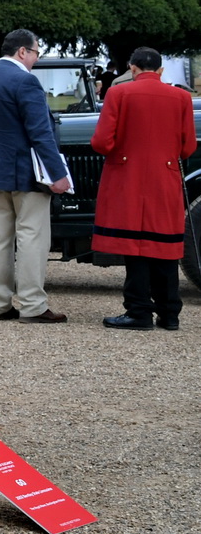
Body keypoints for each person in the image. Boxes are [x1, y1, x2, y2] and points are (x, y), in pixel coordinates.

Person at [0, 29, 73, 323]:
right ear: (23, 52)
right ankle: (32, 305)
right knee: (31, 237)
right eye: (37, 53)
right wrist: (58, 174)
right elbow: (41, 133)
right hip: (27, 172)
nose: (37, 59)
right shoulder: (25, 81)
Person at [93, 47, 196, 331]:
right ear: (160, 70)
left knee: (135, 246)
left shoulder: (118, 94)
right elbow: (188, 147)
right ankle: (169, 313)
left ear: (132, 68)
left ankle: (139, 311)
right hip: (165, 178)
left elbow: (102, 142)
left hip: (128, 179)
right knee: (164, 244)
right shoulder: (181, 97)